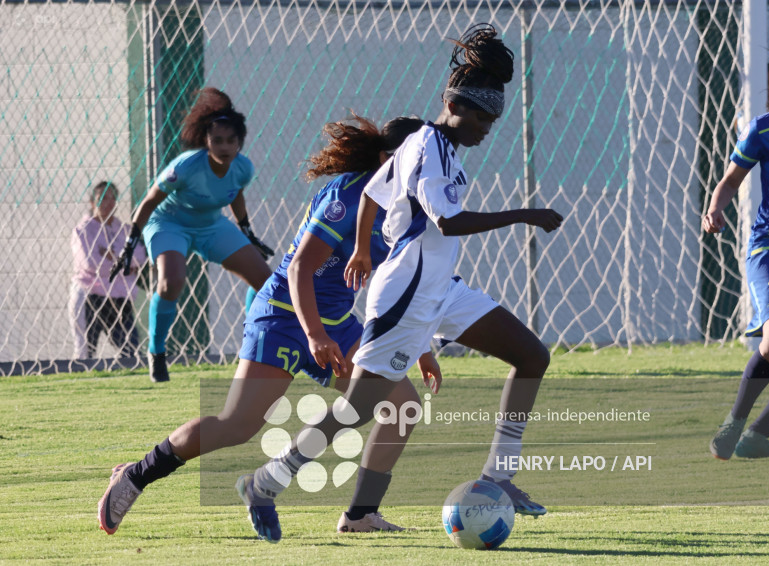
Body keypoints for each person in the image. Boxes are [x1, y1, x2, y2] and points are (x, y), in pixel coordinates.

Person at [245, 23, 564, 541]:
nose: (488, 128)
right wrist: (524, 214)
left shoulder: (426, 144)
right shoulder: (432, 147)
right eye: (484, 117)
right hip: (408, 295)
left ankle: (498, 479)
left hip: (440, 288)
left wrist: (365, 248)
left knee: (531, 356)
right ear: (457, 106)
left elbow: (373, 193)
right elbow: (446, 222)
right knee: (363, 408)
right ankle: (269, 479)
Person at [97, 114, 436, 540]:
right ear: (389, 158)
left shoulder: (411, 206)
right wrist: (314, 334)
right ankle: (134, 475)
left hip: (336, 322)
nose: (427, 169)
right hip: (282, 314)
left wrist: (421, 347)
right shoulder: (347, 197)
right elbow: (299, 270)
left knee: (401, 404)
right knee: (238, 425)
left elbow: (404, 282)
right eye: (419, 158)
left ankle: (360, 514)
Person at [110, 87, 274, 382]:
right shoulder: (185, 166)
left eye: (230, 140)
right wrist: (129, 244)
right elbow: (148, 203)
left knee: (266, 281)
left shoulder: (243, 168)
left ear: (239, 142)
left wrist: (247, 231)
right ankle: (157, 352)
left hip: (212, 224)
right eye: (217, 140)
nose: (224, 146)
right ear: (206, 141)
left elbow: (235, 195)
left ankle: (250, 352)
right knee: (171, 282)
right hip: (169, 223)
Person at [705, 46, 769, 460]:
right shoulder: (766, 128)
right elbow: (729, 181)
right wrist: (714, 208)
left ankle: (756, 438)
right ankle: (735, 424)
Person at [69, 181, 146, 359]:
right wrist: (125, 263)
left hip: (119, 299)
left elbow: (140, 257)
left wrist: (110, 255)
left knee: (132, 354)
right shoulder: (84, 230)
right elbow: (90, 264)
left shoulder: (124, 230)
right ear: (92, 202)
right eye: (102, 198)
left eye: (112, 198)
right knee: (85, 354)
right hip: (91, 296)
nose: (108, 202)